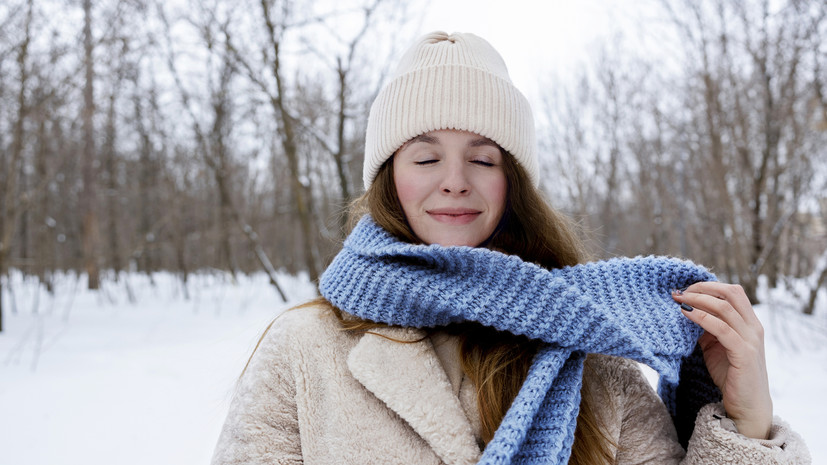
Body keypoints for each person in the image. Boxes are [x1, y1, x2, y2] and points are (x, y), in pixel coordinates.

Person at [211, 32, 810, 465]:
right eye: (425, 157)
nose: (454, 181)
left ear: (512, 182)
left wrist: (747, 422)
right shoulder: (302, 350)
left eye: (482, 158)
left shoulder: (591, 351)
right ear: (389, 178)